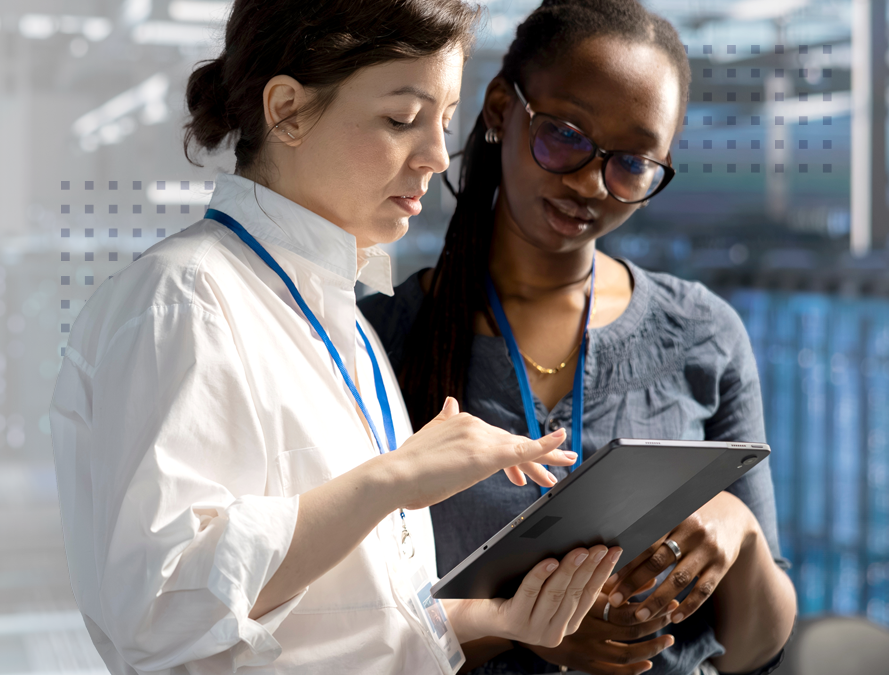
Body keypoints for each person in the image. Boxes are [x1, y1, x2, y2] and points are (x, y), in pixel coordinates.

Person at [49, 1, 621, 673]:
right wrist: (392, 479)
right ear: (287, 109)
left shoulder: (339, 313)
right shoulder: (184, 302)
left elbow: (338, 618)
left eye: (442, 119)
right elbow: (160, 609)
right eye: (401, 119)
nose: (437, 155)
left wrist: (499, 618)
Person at [359, 1, 797, 674]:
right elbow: (340, 630)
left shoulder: (704, 334)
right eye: (564, 135)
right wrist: (516, 629)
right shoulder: (381, 341)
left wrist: (741, 535)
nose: (591, 183)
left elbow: (757, 650)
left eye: (632, 163)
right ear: (502, 108)